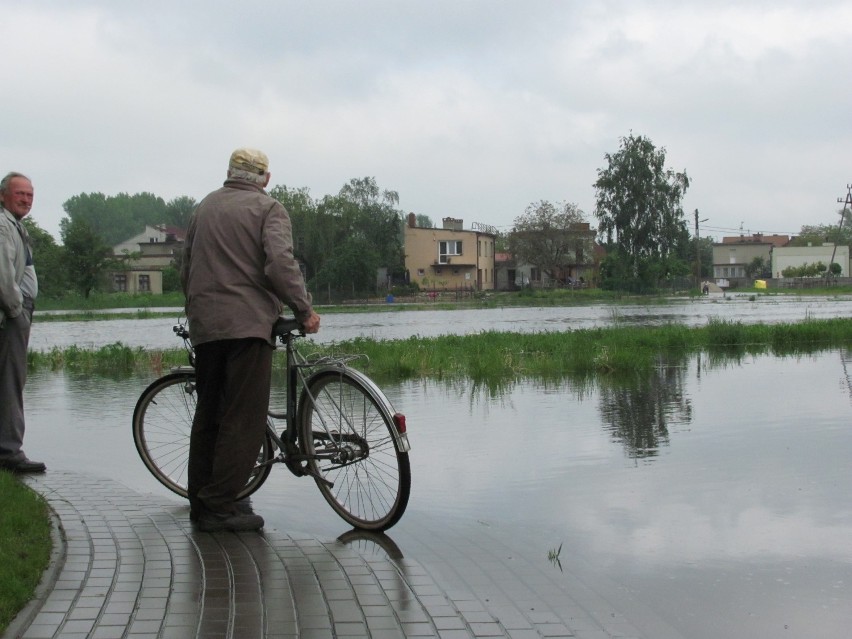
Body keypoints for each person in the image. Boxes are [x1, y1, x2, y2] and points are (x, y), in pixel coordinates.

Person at [181, 148, 320, 532]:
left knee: (210, 414)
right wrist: (303, 309)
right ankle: (221, 506)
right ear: (265, 178)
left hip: (206, 327)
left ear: (230, 173)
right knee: (244, 418)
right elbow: (279, 264)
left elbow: (186, 265)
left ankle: (203, 501)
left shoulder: (204, 208)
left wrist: (196, 311)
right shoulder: (268, 209)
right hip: (247, 327)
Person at [0, 172, 45, 473]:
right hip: (10, 315)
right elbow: (3, 277)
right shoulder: (4, 227)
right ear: (3, 195)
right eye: (20, 194)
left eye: (29, 195)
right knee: (10, 382)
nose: (26, 200)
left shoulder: (16, 226)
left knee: (10, 381)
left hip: (15, 312)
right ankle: (9, 452)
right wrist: (18, 311)